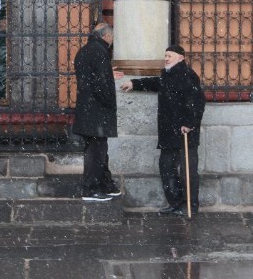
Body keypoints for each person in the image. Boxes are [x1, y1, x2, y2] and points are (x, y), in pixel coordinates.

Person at [120, 45, 205, 216]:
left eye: (170, 56)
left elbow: (197, 101)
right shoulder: (168, 74)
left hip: (184, 132)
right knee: (167, 167)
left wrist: (189, 123)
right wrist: (134, 83)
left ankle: (190, 206)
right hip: (169, 132)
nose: (166, 58)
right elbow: (155, 82)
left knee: (187, 171)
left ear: (181, 58)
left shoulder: (188, 75)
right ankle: (175, 202)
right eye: (165, 55)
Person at [73, 22, 123, 202]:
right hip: (97, 112)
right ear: (106, 36)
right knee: (97, 151)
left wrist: (107, 73)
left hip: (87, 110)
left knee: (98, 149)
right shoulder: (100, 52)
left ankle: (104, 183)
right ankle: (91, 189)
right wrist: (110, 103)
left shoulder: (84, 51)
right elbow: (101, 85)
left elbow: (90, 78)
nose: (112, 40)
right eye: (112, 37)